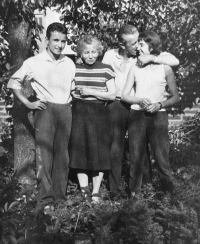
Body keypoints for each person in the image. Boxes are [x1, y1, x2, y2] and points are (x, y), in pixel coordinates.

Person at [102, 24, 180, 199]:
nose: (137, 46)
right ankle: (125, 193)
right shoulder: (122, 62)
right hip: (127, 109)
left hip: (149, 111)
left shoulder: (153, 63)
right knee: (127, 152)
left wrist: (159, 104)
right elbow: (117, 89)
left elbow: (175, 91)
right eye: (135, 43)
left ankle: (158, 192)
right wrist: (137, 100)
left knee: (153, 153)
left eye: (140, 43)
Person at [7, 22, 75, 211]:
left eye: (63, 41)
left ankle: (60, 200)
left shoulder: (69, 62)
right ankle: (45, 200)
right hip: (45, 110)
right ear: (46, 40)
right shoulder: (33, 62)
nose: (59, 45)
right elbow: (13, 82)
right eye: (55, 40)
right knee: (44, 156)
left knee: (63, 156)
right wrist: (28, 103)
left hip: (65, 109)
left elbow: (73, 89)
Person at [69, 35, 116, 203]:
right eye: (86, 52)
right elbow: (70, 90)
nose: (90, 55)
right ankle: (84, 190)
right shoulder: (74, 69)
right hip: (79, 113)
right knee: (80, 151)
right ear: (81, 53)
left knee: (99, 151)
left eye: (93, 52)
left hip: (99, 113)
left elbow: (112, 94)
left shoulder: (106, 69)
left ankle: (95, 191)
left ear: (98, 53)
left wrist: (91, 92)